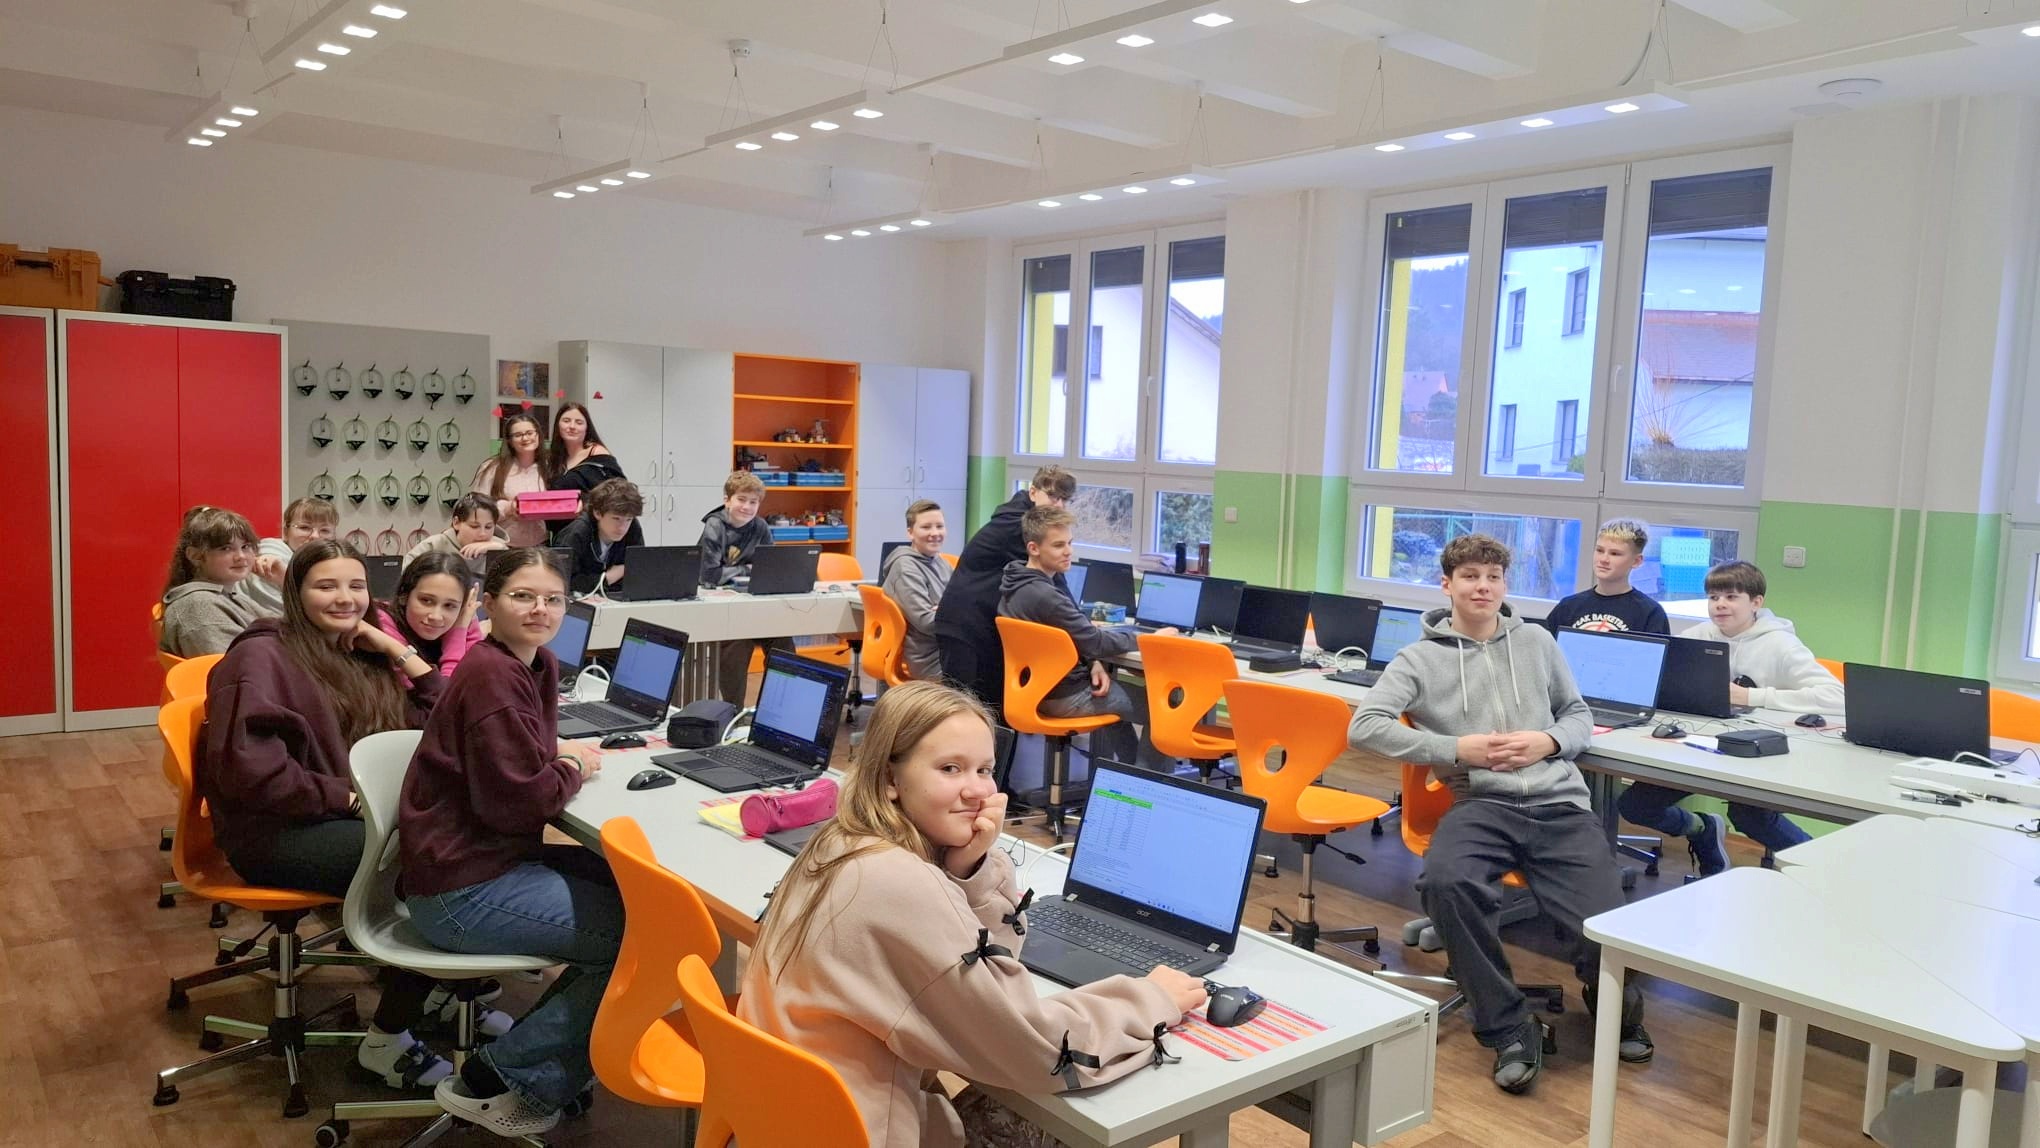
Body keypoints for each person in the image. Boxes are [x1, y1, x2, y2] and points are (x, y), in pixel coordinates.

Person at [741, 681, 1203, 1148]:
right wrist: (1149, 1000)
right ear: (890, 779)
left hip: (781, 1123)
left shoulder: (838, 841)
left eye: (985, 769)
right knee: (1083, 1122)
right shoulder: (899, 882)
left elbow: (986, 974)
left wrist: (967, 870)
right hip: (856, 1134)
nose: (979, 790)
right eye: (950, 768)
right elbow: (1034, 1045)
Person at [1347, 534, 1651, 1095]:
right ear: (1447, 584)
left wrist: (1548, 741)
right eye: (1470, 576)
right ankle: (1508, 1026)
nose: (1483, 587)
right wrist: (1456, 749)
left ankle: (1616, 1006)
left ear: (1505, 585)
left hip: (1558, 804)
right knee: (1445, 884)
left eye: (1493, 577)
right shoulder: (1419, 659)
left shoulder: (1536, 641)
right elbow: (1364, 727)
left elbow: (1577, 714)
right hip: (1481, 805)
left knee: (1604, 923)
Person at [199, 540, 500, 1091]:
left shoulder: (356, 652)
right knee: (436, 866)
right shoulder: (260, 659)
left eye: (356, 586)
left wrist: (394, 648)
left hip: (339, 818)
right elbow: (251, 774)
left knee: (470, 845)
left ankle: (434, 991)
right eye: (326, 586)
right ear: (296, 592)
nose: (345, 598)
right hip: (277, 831)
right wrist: (346, 798)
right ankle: (387, 1040)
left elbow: (445, 720)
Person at [400, 549, 622, 1138]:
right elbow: (523, 801)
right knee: (640, 938)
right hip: (460, 890)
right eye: (523, 596)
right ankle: (506, 1076)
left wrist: (557, 761)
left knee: (642, 897)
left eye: (553, 599)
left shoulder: (534, 663)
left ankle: (544, 1059)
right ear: (488, 603)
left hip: (488, 860)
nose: (540, 609)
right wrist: (571, 765)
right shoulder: (492, 677)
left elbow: (528, 760)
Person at [1617, 560, 1843, 870]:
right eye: (1713, 598)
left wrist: (1751, 697)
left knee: (1749, 815)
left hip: (1756, 754)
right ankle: (1702, 829)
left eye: (1731, 597)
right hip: (1699, 747)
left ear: (1756, 602)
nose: (1720, 605)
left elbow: (1836, 697)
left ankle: (1825, 868)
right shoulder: (1698, 635)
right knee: (1635, 805)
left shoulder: (1781, 644)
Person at [998, 506, 1172, 768]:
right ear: (1033, 548)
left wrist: (1094, 662)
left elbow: (1079, 640)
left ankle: (1128, 773)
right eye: (1058, 545)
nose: (1068, 551)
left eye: (1070, 543)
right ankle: (1146, 783)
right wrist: (1150, 639)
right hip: (1065, 696)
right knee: (1165, 706)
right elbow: (1096, 641)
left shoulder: (1015, 583)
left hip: (1036, 690)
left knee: (1117, 700)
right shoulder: (1046, 596)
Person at [934, 466, 1075, 709]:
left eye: (1065, 499)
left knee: (987, 708)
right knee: (964, 709)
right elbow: (1055, 580)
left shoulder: (1021, 516)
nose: (1059, 505)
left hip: (980, 623)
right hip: (965, 625)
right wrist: (1077, 618)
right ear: (1033, 492)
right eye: (1053, 497)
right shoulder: (1019, 525)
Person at [698, 471, 792, 704]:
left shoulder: (760, 526)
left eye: (753, 502)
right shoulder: (715, 525)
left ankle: (778, 705)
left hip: (754, 605)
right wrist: (747, 569)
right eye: (741, 499)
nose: (747, 507)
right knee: (738, 643)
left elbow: (770, 567)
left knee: (783, 642)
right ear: (727, 500)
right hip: (722, 608)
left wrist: (738, 571)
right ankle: (734, 709)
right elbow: (709, 575)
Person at [161, 506, 281, 658]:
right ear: (195, 556)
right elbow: (236, 667)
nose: (241, 556)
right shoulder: (200, 606)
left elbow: (289, 628)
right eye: (226, 549)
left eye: (245, 547)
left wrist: (284, 580)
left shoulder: (228, 594)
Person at [376, 551, 484, 683]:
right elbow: (443, 693)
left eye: (449, 605)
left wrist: (460, 629)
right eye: (426, 601)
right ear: (404, 595)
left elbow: (478, 683)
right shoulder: (383, 623)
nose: (436, 616)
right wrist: (457, 634)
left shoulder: (463, 619)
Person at [1547, 519, 1669, 634]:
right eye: (1599, 550)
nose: (1604, 559)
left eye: (1615, 554)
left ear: (1636, 561)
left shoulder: (1650, 614)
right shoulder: (1568, 607)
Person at [880, 499, 951, 681]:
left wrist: (945, 609)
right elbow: (928, 622)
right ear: (910, 533)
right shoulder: (905, 568)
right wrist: (953, 611)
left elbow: (961, 601)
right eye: (926, 527)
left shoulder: (941, 562)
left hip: (947, 648)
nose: (935, 533)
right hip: (930, 659)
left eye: (940, 526)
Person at [471, 412, 553, 549]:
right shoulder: (492, 468)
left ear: (538, 435)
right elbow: (476, 509)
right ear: (509, 441)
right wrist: (508, 508)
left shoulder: (549, 467)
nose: (525, 438)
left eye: (530, 433)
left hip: (540, 545)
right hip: (502, 545)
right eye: (518, 435)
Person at [551, 478, 644, 595]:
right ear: (597, 513)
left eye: (629, 519)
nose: (622, 527)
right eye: (616, 518)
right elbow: (562, 581)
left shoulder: (633, 528)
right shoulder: (576, 533)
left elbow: (638, 572)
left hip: (615, 597)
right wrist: (607, 578)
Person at [246, 497, 338, 615]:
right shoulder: (271, 554)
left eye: (325, 530)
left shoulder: (332, 564)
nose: (315, 536)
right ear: (285, 531)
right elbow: (278, 615)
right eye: (304, 527)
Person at [543, 402, 626, 515]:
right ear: (558, 425)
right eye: (566, 421)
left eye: (579, 422)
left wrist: (586, 501)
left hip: (589, 521)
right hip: (559, 522)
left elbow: (619, 491)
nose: (572, 426)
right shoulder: (553, 459)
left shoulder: (597, 453)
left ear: (587, 428)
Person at [405, 493, 509, 580]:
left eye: (488, 527)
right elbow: (404, 574)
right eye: (474, 526)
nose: (483, 533)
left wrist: (500, 549)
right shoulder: (434, 544)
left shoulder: (499, 549)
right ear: (456, 523)